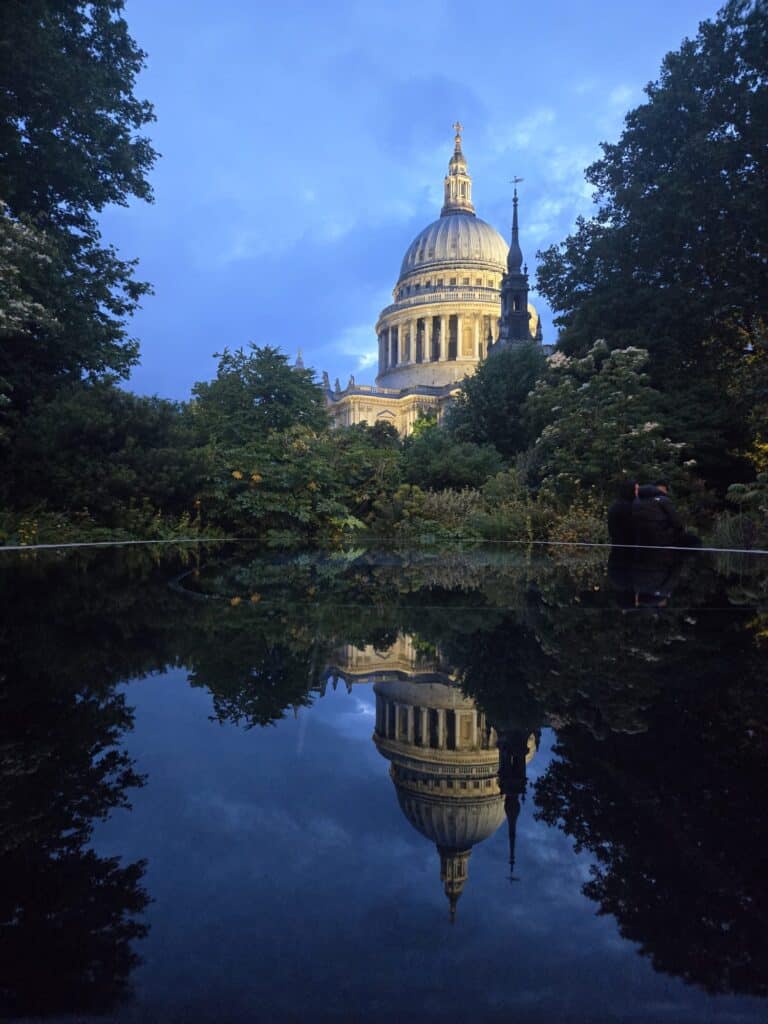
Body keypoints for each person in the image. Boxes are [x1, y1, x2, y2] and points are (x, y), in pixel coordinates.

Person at [632, 480, 699, 547]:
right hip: (662, 539)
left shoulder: (636, 502)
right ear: (662, 488)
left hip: (640, 540)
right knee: (693, 540)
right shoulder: (663, 500)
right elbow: (677, 522)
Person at [607, 479, 637, 545]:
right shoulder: (625, 507)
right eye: (636, 489)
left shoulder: (616, 504)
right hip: (625, 545)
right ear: (630, 490)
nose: (637, 492)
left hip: (619, 545)